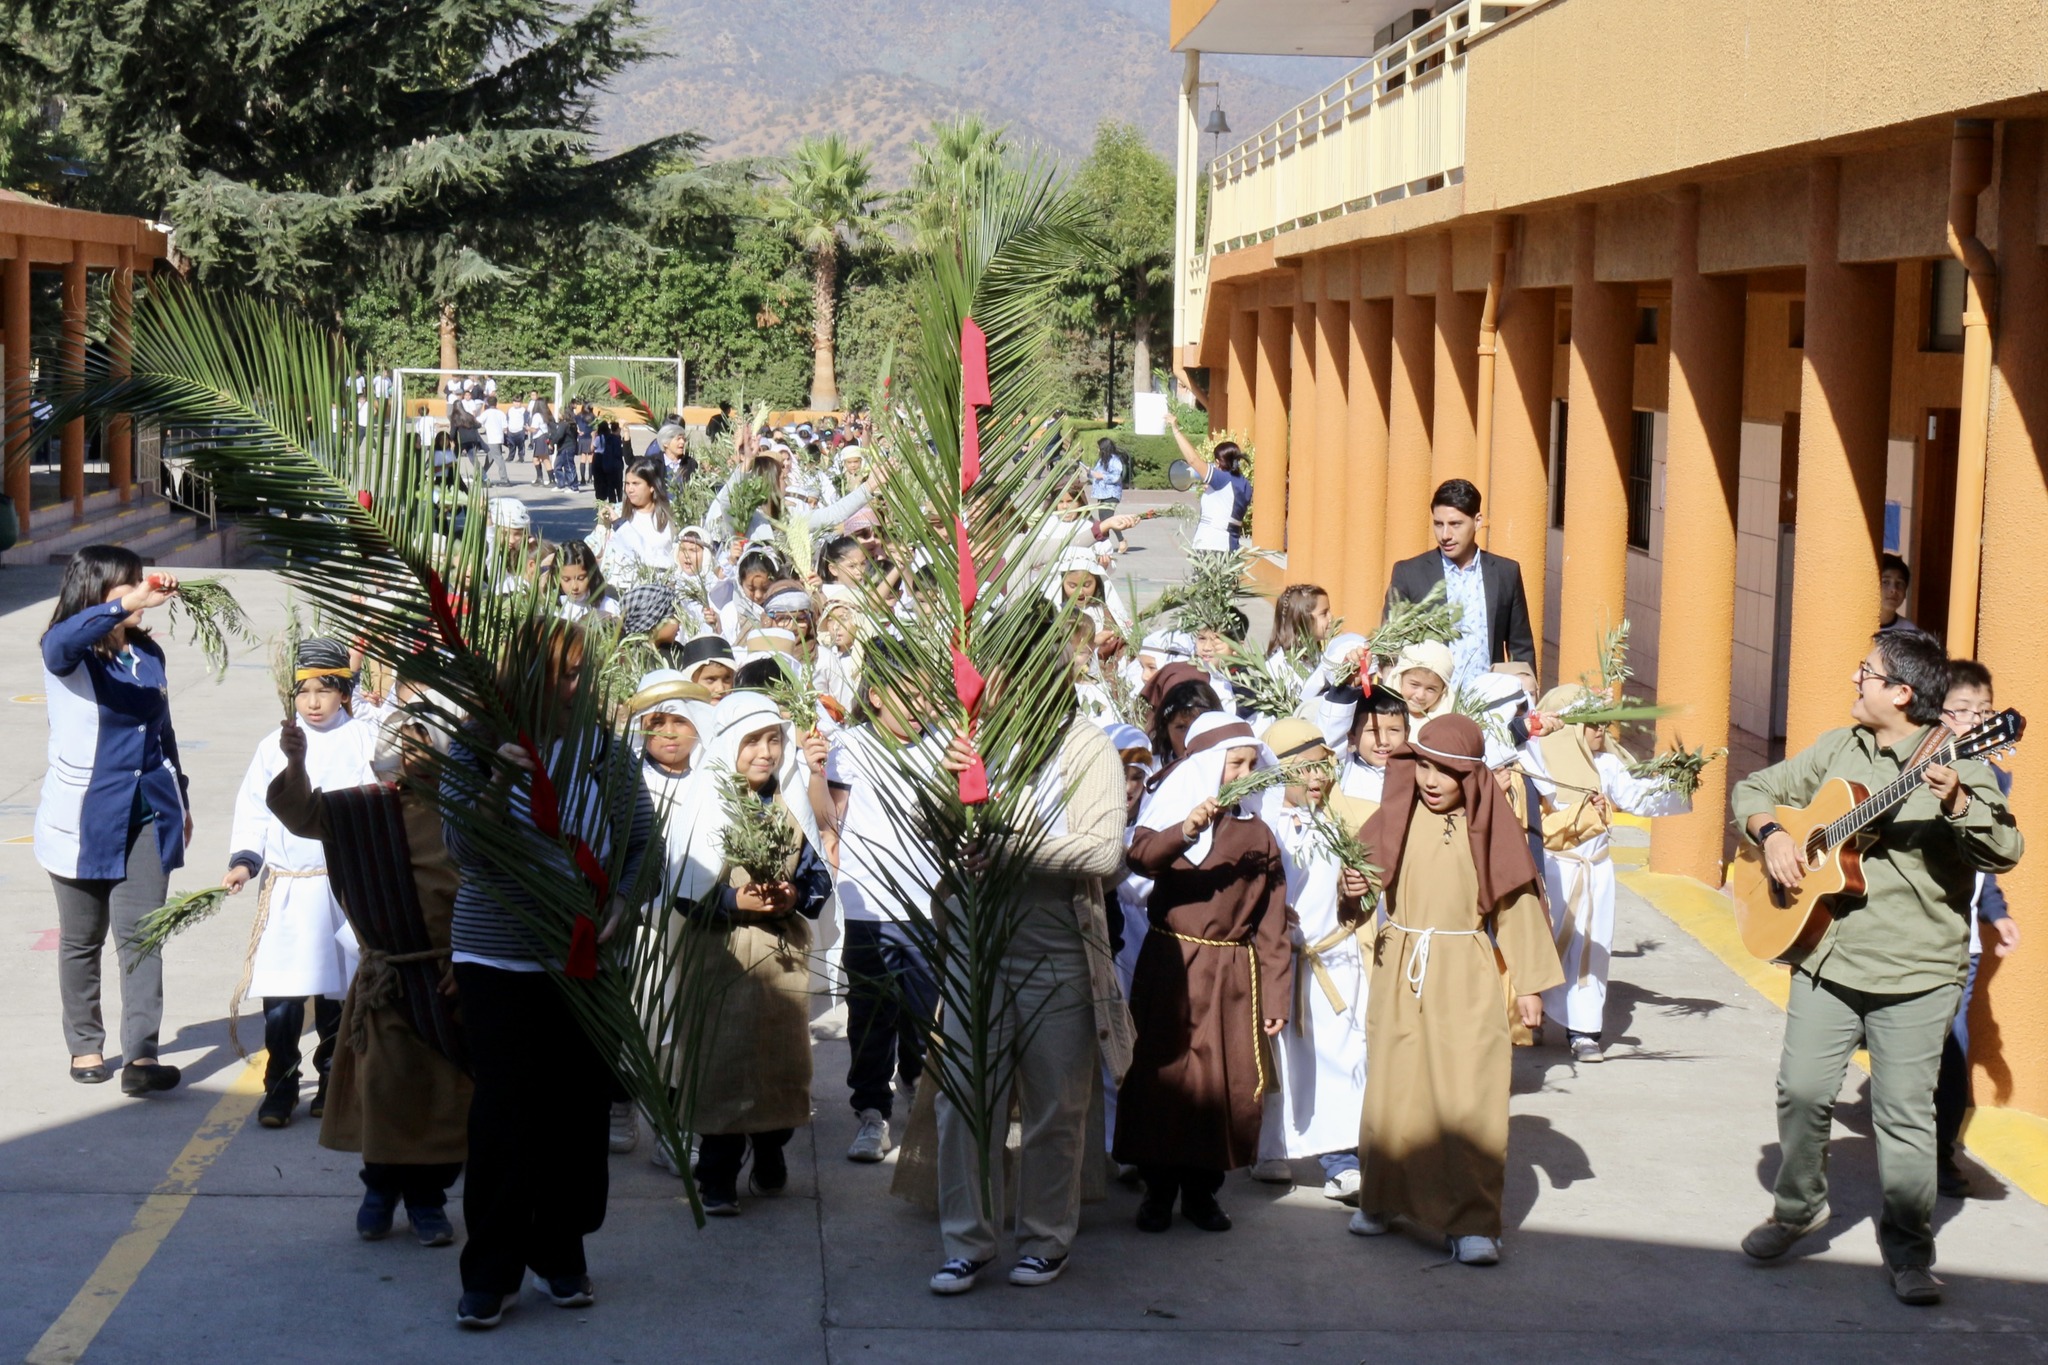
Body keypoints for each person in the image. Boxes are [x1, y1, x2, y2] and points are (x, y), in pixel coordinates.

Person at [1730, 627, 2020, 1306]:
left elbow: (2006, 847)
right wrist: (1773, 834)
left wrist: (1955, 803)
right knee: (1800, 1089)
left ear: (1901, 692)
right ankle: (1798, 1207)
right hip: (1829, 954)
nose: (1853, 681)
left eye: (1865, 672)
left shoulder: (1960, 756)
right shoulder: (1840, 746)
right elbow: (1754, 787)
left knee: (1903, 1116)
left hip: (1917, 969)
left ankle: (1911, 1251)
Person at [444, 622, 654, 1330]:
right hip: (497, 954)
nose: (574, 687)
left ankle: (560, 1249)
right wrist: (502, 774)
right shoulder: (475, 741)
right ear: (526, 678)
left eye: (579, 673)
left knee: (575, 1109)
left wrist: (622, 900)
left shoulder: (602, 750)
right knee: (506, 1110)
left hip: (582, 954)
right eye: (559, 675)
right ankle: (491, 1268)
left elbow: (642, 841)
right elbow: (464, 852)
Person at [921, 686, 1131, 1295]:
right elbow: (933, 829)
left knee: (1055, 1105)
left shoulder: (1087, 747)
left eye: (1016, 672)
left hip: (1058, 947)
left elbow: (1102, 849)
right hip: (976, 942)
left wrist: (1010, 850)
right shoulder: (973, 736)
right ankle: (966, 1243)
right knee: (962, 1097)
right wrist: (943, 786)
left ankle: (1044, 1239)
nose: (998, 689)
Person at [1346, 714, 1562, 1265]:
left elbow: (1516, 905)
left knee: (1469, 1096)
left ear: (1470, 774)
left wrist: (1531, 986)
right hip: (1400, 963)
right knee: (1394, 1088)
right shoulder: (1397, 814)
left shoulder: (1491, 825)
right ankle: (1380, 1199)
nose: (1431, 779)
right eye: (1423, 765)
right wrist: (1351, 886)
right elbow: (1356, 886)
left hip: (1465, 968)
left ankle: (1471, 1222)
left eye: (1446, 769)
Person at [266, 705, 471, 1247]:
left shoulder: (471, 817)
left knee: (445, 1097)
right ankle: (379, 1188)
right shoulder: (364, 811)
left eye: (426, 743)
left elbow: (492, 892)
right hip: (387, 980)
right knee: (385, 1090)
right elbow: (299, 811)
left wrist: (469, 962)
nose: (414, 754)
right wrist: (295, 762)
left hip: (454, 977)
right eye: (405, 743)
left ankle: (428, 1198)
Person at [1118, 713, 1292, 1233]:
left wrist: (1277, 997)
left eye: (1250, 764)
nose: (1243, 771)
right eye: (1233, 763)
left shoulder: (1258, 833)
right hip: (1171, 964)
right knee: (1163, 1076)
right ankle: (1157, 1190)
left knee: (1221, 1083)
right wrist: (1188, 826)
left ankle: (1203, 1191)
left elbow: (1272, 920)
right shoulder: (1172, 820)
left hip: (1232, 972)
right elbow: (1140, 857)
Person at [666, 691, 832, 1216]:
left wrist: (794, 896)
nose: (766, 752)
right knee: (725, 1065)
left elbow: (815, 875)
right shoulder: (704, 801)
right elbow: (681, 885)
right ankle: (716, 1174)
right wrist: (731, 899)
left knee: (781, 1063)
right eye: (752, 741)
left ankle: (770, 1152)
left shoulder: (788, 802)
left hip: (781, 954)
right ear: (728, 745)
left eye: (774, 741)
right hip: (722, 955)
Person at [36, 549, 191, 1095]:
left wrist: (183, 799)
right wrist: (128, 601)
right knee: (82, 938)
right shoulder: (68, 653)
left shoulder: (146, 653)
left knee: (142, 938)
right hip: (84, 818)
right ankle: (85, 1044)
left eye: (139, 583)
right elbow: (62, 641)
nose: (141, 594)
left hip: (147, 814)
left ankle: (142, 1059)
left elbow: (162, 732)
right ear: (98, 591)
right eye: (124, 586)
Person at [223, 638, 380, 1127]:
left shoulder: (364, 739)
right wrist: (246, 861)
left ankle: (332, 1082)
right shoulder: (275, 745)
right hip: (290, 888)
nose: (313, 702)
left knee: (337, 993)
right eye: (304, 691)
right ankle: (281, 1084)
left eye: (325, 690)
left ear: (345, 691)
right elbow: (254, 807)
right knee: (284, 997)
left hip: (341, 887)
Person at [1521, 687, 1691, 1063]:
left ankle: (1583, 1030)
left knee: (1589, 951)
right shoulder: (1533, 762)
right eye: (1592, 723)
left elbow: (1637, 797)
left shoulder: (1605, 765)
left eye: (1604, 722)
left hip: (1594, 872)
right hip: (1551, 869)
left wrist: (1681, 783)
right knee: (1540, 944)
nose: (1602, 731)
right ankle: (1530, 1020)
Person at [828, 647, 944, 1163]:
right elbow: (832, 820)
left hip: (928, 905)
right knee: (871, 1011)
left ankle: (920, 1091)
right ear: (875, 697)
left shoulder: (946, 745)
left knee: (926, 1010)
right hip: (868, 904)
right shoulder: (848, 746)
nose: (919, 706)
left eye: (926, 695)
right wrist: (813, 775)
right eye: (907, 694)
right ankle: (872, 1113)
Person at [1254, 719, 1367, 1205]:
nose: (1317, 778)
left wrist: (1356, 889)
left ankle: (1341, 1158)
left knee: (1341, 1057)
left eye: (1324, 767)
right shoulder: (1262, 828)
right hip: (1281, 961)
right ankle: (1271, 1150)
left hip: (1332, 959)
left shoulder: (1340, 823)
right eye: (1304, 769)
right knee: (1275, 1060)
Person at [1931, 660, 2020, 1198]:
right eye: (1961, 711)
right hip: (1897, 937)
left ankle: (1941, 1156)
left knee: (1954, 1048)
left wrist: (1997, 911)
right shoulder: (1908, 760)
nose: (1973, 720)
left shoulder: (1994, 779)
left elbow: (1984, 857)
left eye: (1983, 711)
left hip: (1957, 943)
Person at [1382, 479, 1536, 684]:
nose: (1445, 535)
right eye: (1438, 524)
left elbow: (1521, 646)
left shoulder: (1505, 573)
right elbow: (1389, 645)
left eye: (1455, 524)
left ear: (1478, 521)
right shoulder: (1409, 573)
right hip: (1430, 706)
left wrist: (1526, 701)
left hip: (1490, 704)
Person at [1169, 426, 1251, 554]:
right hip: (1230, 546)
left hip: (1211, 545)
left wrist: (1175, 429)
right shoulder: (1244, 483)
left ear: (1218, 462)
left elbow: (1193, 460)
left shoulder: (1222, 479)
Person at [601, 458, 679, 584]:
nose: (630, 489)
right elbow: (597, 550)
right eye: (627, 484)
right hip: (620, 587)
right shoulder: (617, 512)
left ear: (652, 486)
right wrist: (602, 527)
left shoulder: (671, 514)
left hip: (656, 587)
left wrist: (620, 526)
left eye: (636, 484)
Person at [1879, 552, 1916, 635]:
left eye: (1899, 583)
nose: (1893, 589)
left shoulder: (1910, 632)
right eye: (1885, 582)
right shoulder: (1854, 625)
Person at [480, 397, 509, 486]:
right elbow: (505, 427)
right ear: (496, 403)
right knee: (489, 458)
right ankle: (481, 475)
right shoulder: (501, 413)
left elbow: (479, 422)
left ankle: (504, 479)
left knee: (498, 458)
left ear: (487, 404)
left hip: (492, 438)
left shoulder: (486, 413)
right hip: (499, 438)